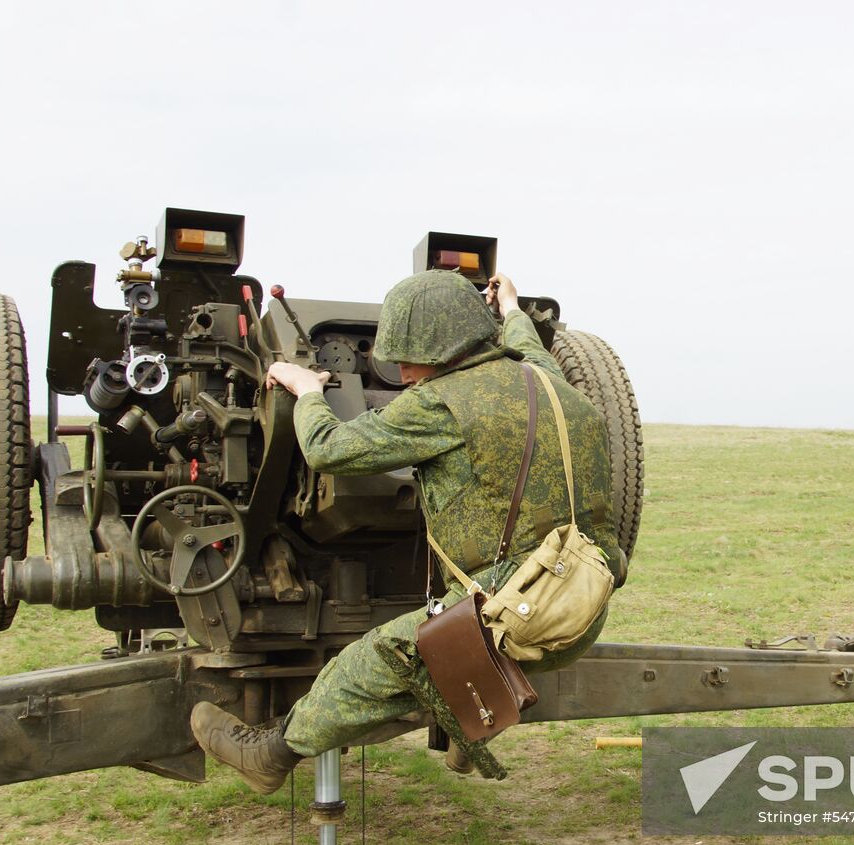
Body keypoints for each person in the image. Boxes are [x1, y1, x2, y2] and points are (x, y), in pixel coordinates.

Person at [191, 269, 621, 791]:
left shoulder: (441, 403)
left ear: (439, 350)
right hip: (583, 601)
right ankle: (472, 730)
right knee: (456, 623)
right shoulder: (546, 376)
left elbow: (329, 449)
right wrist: (510, 308)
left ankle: (269, 757)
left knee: (377, 661)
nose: (401, 371)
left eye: (406, 358)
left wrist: (307, 390)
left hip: (518, 617)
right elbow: (527, 344)